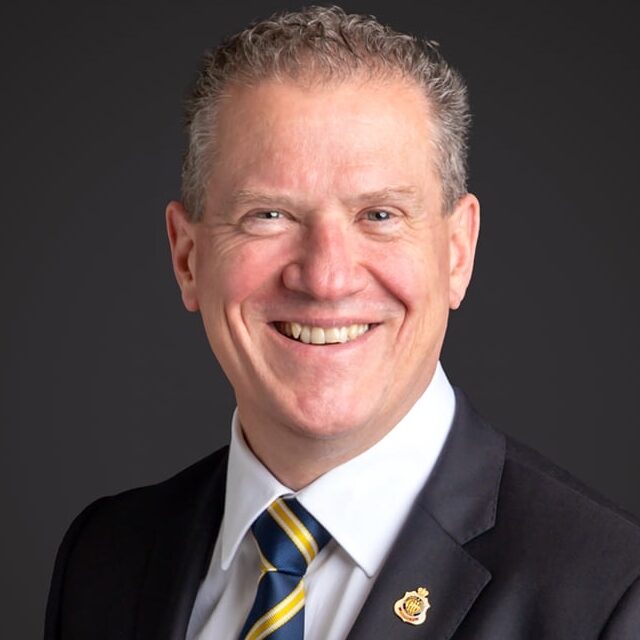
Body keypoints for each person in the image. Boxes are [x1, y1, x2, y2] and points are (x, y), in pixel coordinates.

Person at [45, 5, 640, 639]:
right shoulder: (105, 556)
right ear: (187, 258)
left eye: (379, 215)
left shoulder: (611, 596)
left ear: (457, 252)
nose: (326, 278)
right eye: (269, 215)